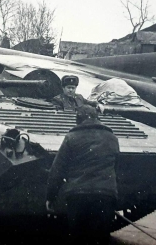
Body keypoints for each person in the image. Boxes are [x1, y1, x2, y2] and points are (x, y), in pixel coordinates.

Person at [46, 105, 119, 245]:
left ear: (77, 119)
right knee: (101, 238)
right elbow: (116, 167)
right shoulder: (112, 138)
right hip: (105, 195)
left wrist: (50, 196)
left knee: (78, 238)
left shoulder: (71, 137)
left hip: (78, 195)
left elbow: (57, 169)